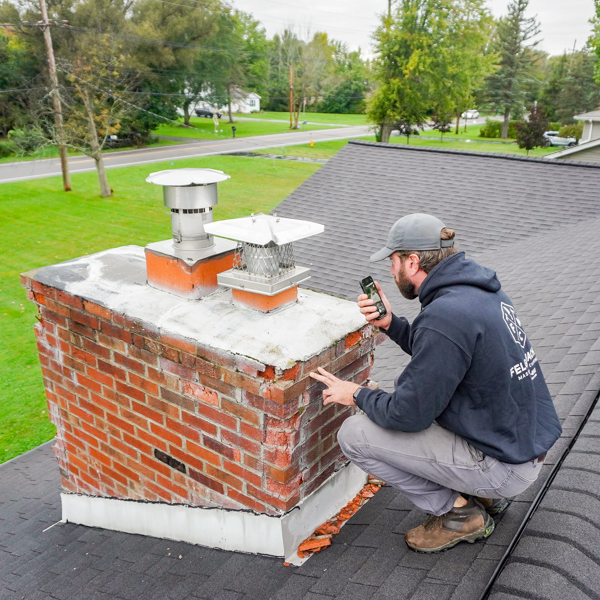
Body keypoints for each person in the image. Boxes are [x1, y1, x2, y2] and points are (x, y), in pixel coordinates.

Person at [309, 213, 562, 553]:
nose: (390, 270)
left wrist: (355, 393)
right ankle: (483, 495)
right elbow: (444, 355)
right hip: (518, 444)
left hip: (504, 466)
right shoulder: (477, 291)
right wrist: (391, 323)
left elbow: (408, 414)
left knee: (354, 435)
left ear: (412, 261)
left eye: (394, 260)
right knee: (407, 392)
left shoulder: (446, 314)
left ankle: (460, 513)